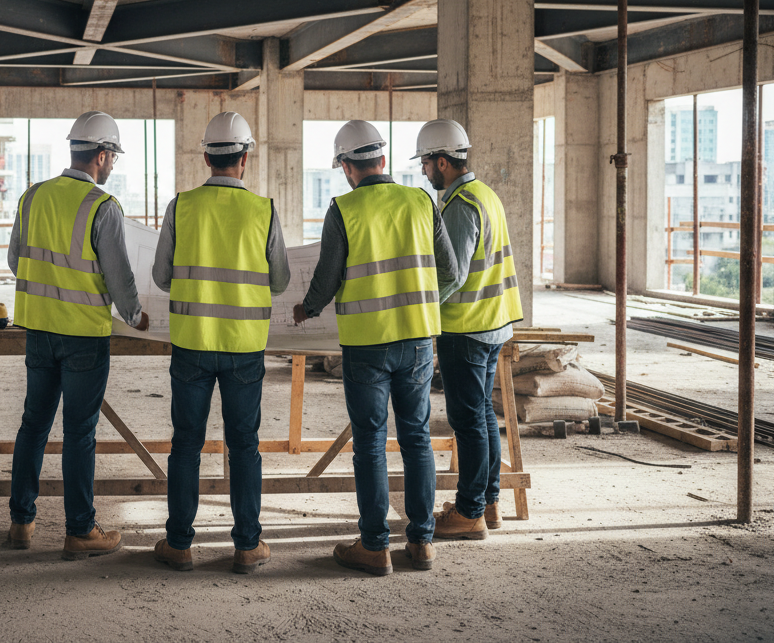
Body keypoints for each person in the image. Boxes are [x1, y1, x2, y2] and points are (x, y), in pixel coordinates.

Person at [293, 120, 458, 574]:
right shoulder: (421, 201)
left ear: (346, 167)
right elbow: (451, 271)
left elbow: (327, 278)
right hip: (418, 340)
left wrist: (306, 308)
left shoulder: (343, 209)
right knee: (416, 438)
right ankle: (422, 542)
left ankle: (374, 546)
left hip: (367, 345)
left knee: (370, 442)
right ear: (382, 160)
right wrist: (426, 306)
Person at [150, 112, 290, 575]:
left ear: (207, 158)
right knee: (244, 445)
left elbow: (161, 276)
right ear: (245, 157)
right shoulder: (264, 210)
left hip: (192, 343)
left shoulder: (181, 207)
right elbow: (280, 281)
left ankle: (179, 545)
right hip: (244, 347)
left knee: (186, 444)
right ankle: (247, 546)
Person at [6, 111, 150, 560]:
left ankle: (21, 522)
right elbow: (119, 277)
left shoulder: (33, 196)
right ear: (101, 155)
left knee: (33, 423)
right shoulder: (102, 206)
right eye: (113, 157)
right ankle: (80, 530)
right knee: (79, 432)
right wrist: (135, 316)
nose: (113, 165)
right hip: (84, 335)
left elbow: (15, 260)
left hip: (38, 328)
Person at [414, 119, 523, 541]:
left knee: (468, 421)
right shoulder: (485, 194)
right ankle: (488, 503)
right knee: (482, 416)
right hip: (493, 322)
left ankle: (469, 512)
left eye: (426, 163)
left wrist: (421, 311)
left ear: (442, 161)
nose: (424, 170)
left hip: (467, 328)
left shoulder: (461, 205)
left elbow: (453, 274)